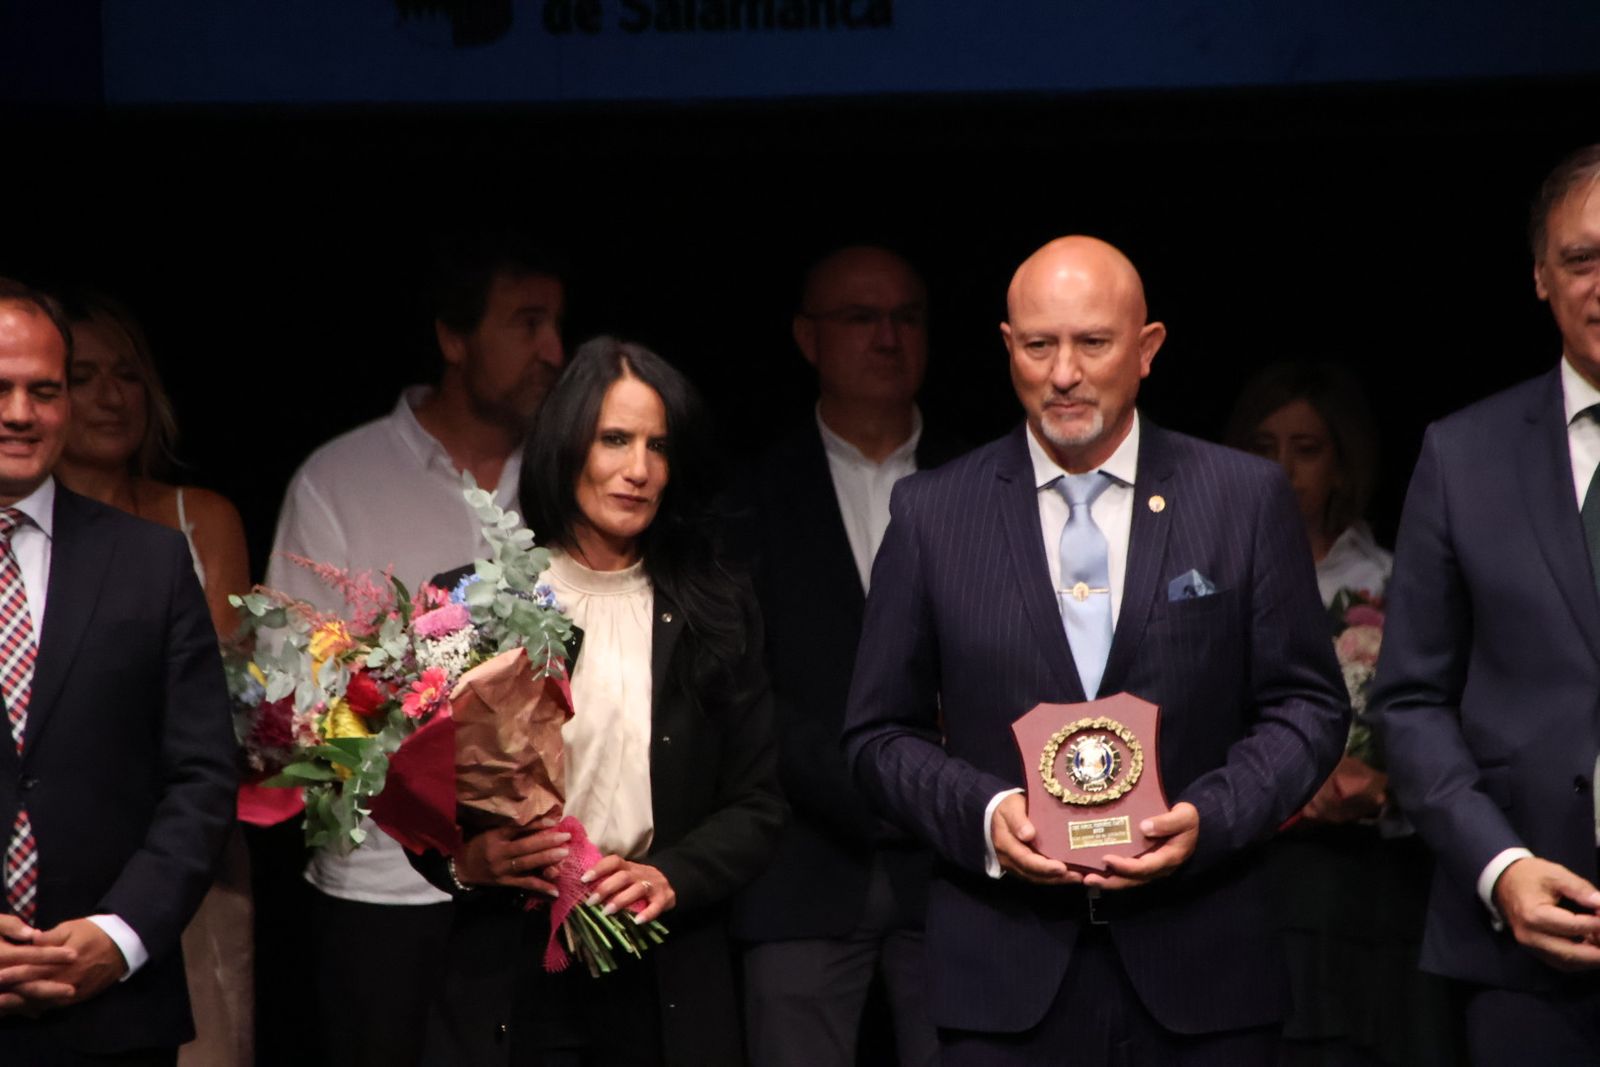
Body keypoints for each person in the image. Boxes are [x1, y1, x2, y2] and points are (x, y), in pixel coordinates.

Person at [841, 236, 1349, 1065]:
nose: (1065, 373)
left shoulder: (1242, 497)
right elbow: (877, 734)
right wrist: (984, 815)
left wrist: (1211, 817)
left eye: (1093, 343)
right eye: (1040, 345)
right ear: (1008, 346)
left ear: (1147, 348)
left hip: (1204, 969)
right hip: (1005, 981)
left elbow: (1309, 706)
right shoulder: (933, 513)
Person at [417, 336, 785, 1066]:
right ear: (567, 446)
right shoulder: (476, 603)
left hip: (664, 970)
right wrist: (467, 861)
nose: (639, 469)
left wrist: (671, 874)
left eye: (658, 446)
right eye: (615, 439)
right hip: (513, 971)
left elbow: (758, 803)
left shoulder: (716, 606)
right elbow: (420, 797)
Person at [265, 231, 567, 1067]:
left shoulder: (571, 476)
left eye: (558, 324)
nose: (554, 350)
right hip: (383, 893)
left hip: (541, 887)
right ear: (453, 337)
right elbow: (295, 705)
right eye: (528, 323)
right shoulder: (340, 478)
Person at [1373, 144, 1600, 1064]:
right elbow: (1408, 702)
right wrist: (1500, 868)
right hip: (1529, 955)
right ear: (1541, 276)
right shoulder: (1463, 456)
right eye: (1582, 259)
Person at [0, 278, 236, 1064]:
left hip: (113, 1014)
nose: (20, 413)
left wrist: (122, 933)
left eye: (44, 390)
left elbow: (202, 774)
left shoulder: (151, 562)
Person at [728, 245, 952, 1067]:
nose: (888, 337)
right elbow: (740, 686)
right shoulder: (747, 493)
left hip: (960, 864)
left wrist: (937, 790)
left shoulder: (988, 477)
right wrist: (867, 787)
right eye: (861, 317)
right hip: (802, 861)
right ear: (807, 337)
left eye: (907, 317)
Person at [1227, 362, 1463, 1067]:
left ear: (1341, 462)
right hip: (1251, 870)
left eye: (1306, 449)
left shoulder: (1391, 579)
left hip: (1371, 882)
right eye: (1264, 448)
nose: (1282, 469)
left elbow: (1445, 718)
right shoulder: (1210, 577)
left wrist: (1386, 787)